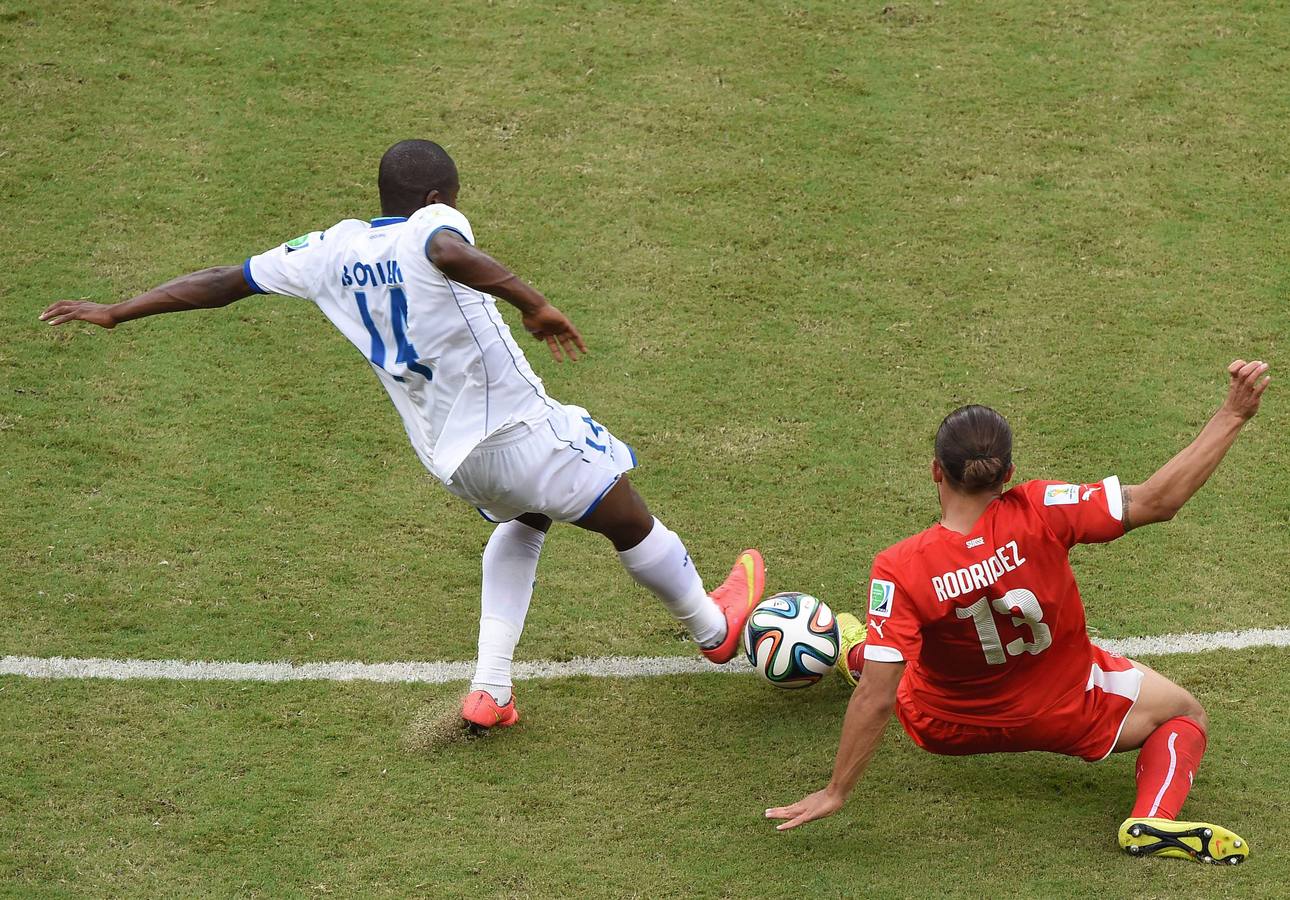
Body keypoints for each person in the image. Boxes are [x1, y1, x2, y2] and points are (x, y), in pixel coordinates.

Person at [40, 139, 765, 730]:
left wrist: (118, 310)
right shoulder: (432, 228)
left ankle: (490, 690)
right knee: (627, 516)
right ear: (436, 198)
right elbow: (449, 253)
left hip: (452, 458)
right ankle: (713, 629)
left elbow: (222, 280)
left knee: (528, 517)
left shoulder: (328, 250)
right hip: (517, 428)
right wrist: (534, 304)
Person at [766, 360, 1271, 865]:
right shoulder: (1040, 508)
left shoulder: (900, 568)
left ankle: (845, 645)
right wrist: (1233, 413)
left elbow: (879, 696)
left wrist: (836, 791)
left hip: (944, 724)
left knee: (892, 656)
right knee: (1185, 713)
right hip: (1067, 709)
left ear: (936, 470)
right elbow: (1158, 500)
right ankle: (1154, 819)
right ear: (1008, 474)